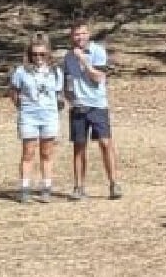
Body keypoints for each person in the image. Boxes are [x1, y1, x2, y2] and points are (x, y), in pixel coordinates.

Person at [64, 23, 120, 200]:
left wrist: (83, 60)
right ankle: (79, 187)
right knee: (79, 147)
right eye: (76, 34)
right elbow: (68, 81)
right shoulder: (67, 57)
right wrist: (69, 98)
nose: (79, 37)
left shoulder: (98, 52)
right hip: (78, 106)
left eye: (82, 33)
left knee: (105, 143)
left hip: (97, 105)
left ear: (88, 34)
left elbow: (98, 78)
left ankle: (114, 183)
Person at [12, 35, 65, 204]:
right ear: (30, 55)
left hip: (49, 115)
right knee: (28, 152)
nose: (38, 58)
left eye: (42, 54)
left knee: (46, 152)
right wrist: (22, 107)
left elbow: (58, 94)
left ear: (48, 54)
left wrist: (57, 106)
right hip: (29, 115)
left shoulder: (55, 71)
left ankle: (46, 187)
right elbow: (14, 92)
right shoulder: (21, 71)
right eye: (35, 54)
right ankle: (25, 187)